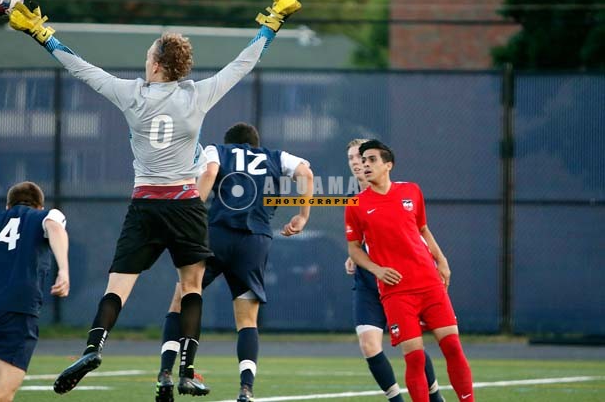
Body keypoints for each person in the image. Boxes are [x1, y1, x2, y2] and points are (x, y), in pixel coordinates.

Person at [7, 0, 302, 397]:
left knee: (118, 285)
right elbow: (243, 63)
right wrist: (272, 24)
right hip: (185, 206)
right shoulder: (197, 95)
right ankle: (186, 370)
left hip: (144, 205)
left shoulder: (131, 95)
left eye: (149, 56)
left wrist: (42, 35)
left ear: (158, 64)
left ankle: (93, 348)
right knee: (191, 287)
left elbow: (81, 68)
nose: (145, 61)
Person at [155, 123, 313, 402]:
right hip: (254, 242)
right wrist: (302, 216)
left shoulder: (218, 150)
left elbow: (209, 172)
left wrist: (191, 213)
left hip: (216, 235)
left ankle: (166, 373)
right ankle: (245, 389)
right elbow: (306, 173)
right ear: (255, 143)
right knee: (247, 320)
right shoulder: (276, 157)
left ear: (230, 142)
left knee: (182, 298)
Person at [345, 140, 474, 402]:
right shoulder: (356, 204)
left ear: (388, 165)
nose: (364, 164)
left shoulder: (411, 191)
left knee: (452, 346)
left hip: (429, 282)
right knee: (414, 358)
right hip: (396, 292)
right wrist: (377, 269)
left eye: (371, 160)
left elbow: (422, 229)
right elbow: (354, 248)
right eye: (361, 160)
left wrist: (442, 260)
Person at [0, 181, 70, 402]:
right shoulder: (47, 215)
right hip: (16, 304)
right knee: (0, 393)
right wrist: (64, 270)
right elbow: (54, 226)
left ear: (8, 206)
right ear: (39, 206)